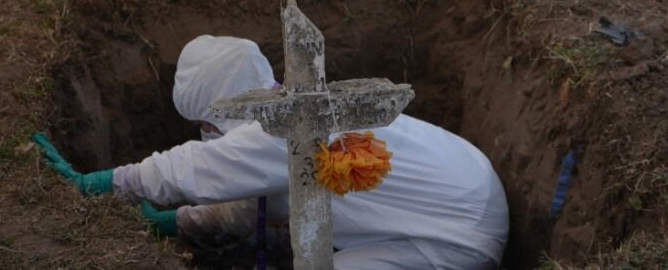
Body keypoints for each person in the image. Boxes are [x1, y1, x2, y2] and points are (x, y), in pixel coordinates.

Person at [37, 35, 509, 269]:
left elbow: (188, 169)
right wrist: (177, 223)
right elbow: (253, 207)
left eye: (204, 126)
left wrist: (98, 184)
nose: (206, 137)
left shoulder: (275, 131)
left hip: (456, 239)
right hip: (472, 192)